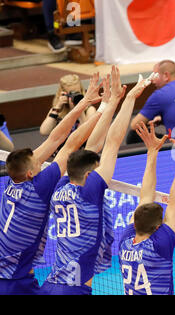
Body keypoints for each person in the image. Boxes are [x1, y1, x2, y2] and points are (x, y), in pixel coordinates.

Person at [40, 67, 154, 295]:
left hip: (51, 284)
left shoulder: (60, 187)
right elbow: (111, 142)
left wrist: (110, 104)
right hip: (73, 290)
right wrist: (129, 99)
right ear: (90, 175)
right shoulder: (89, 191)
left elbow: (82, 146)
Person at [0, 73, 103, 295]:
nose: (41, 163)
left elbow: (53, 139)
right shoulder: (38, 187)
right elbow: (69, 144)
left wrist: (83, 103)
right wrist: (106, 107)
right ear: (30, 173)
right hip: (14, 281)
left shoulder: (12, 179)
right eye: (38, 164)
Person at [119, 120, 175, 295]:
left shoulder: (125, 242)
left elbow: (145, 196)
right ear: (158, 228)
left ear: (134, 224)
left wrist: (152, 152)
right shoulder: (160, 245)